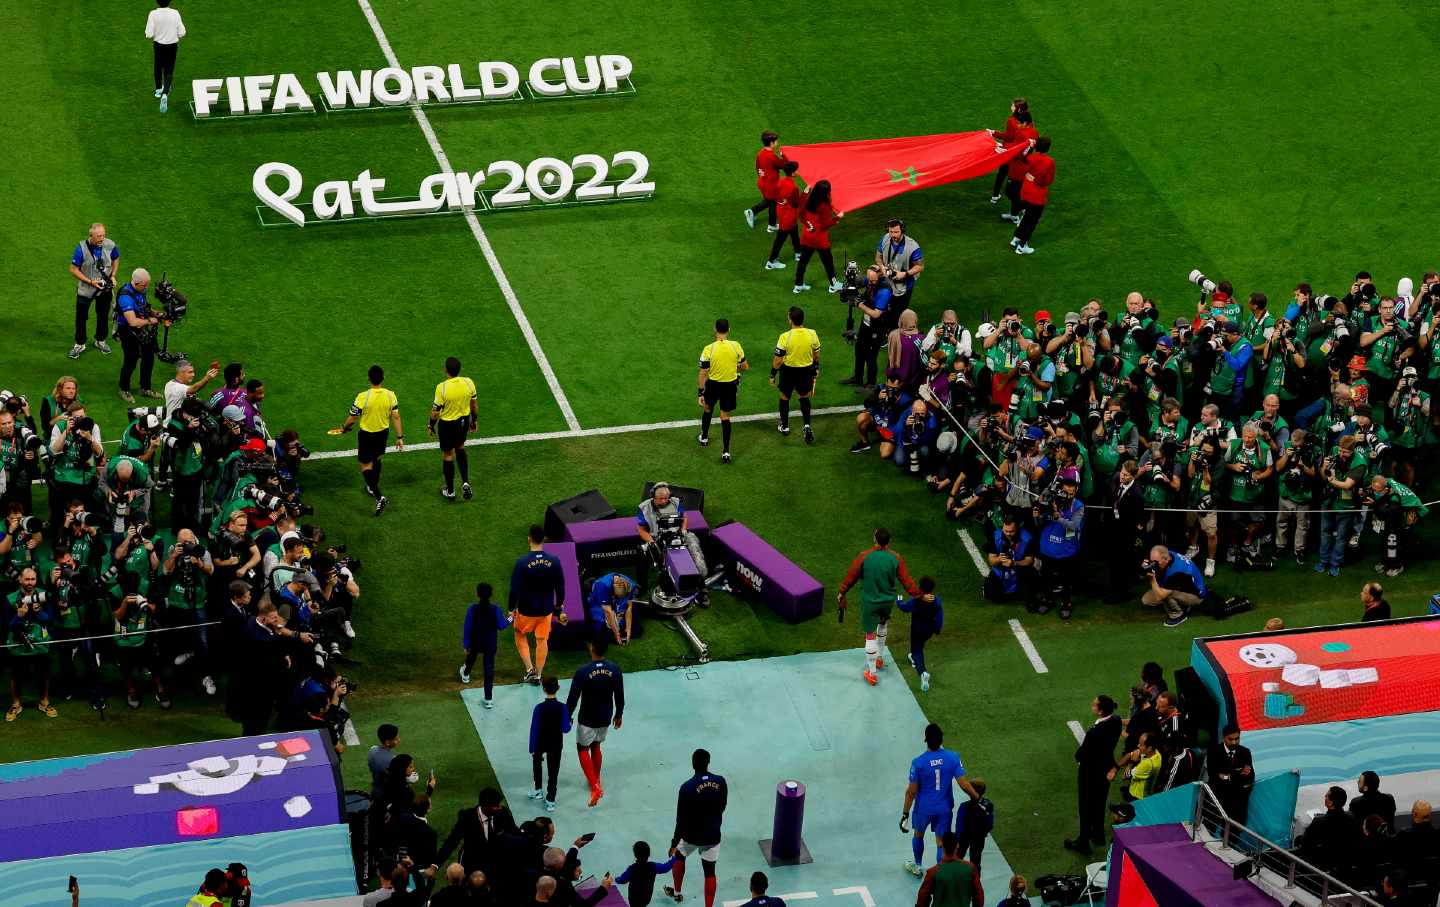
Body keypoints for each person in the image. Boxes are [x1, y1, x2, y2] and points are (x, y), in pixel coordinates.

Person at [837, 527, 921, 686]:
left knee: (870, 634)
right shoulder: (896, 558)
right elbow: (907, 581)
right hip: (887, 601)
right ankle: (880, 658)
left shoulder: (864, 557)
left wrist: (842, 592)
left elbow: (851, 577)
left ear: (874, 539)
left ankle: (872, 673)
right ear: (889, 542)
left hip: (870, 602)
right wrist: (919, 595)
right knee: (883, 624)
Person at [901, 722, 980, 877]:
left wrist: (905, 814)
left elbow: (911, 792)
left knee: (918, 834)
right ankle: (940, 872)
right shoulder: (953, 757)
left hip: (923, 808)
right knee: (940, 841)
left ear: (926, 740)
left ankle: (917, 866)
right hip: (944, 808)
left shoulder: (918, 763)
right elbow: (963, 784)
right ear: (941, 739)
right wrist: (976, 797)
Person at [566, 638, 624, 807]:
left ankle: (595, 786)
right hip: (605, 716)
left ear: (592, 648)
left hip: (587, 717)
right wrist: (619, 714)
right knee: (596, 746)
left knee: (582, 748)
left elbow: (573, 698)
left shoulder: (582, 671)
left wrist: (567, 715)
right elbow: (619, 695)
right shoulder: (615, 669)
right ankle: (596, 778)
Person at [666, 749, 727, 907]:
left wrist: (674, 843)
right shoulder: (721, 781)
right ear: (708, 762)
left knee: (679, 856)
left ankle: (678, 893)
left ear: (693, 764)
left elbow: (680, 819)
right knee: (710, 872)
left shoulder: (687, 787)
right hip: (712, 835)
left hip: (691, 836)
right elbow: (722, 805)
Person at [339, 364, 403, 516]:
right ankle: (372, 486)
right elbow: (396, 416)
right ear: (383, 378)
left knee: (365, 465)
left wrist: (344, 427)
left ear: (369, 379)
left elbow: (353, 417)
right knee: (377, 458)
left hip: (367, 435)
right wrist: (400, 437)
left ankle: (379, 496)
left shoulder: (363, 396)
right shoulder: (390, 395)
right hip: (383, 433)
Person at [509, 525, 568, 684]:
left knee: (519, 633)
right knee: (542, 640)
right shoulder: (554, 561)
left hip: (526, 609)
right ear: (544, 540)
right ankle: (539, 674)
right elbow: (561, 587)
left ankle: (529, 669)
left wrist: (510, 609)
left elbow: (514, 589)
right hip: (546, 610)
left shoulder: (521, 562)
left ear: (529, 539)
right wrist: (559, 607)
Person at [1065, 694, 1122, 855]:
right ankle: (1098, 835)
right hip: (1104, 769)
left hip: (1089, 773)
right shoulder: (1116, 721)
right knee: (1099, 803)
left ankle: (1083, 841)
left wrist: (1079, 758)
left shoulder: (1095, 733)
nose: (1092, 705)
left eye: (1095, 704)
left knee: (1086, 807)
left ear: (1100, 711)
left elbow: (1082, 753)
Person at [636, 483, 710, 605]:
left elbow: (684, 517)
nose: (664, 501)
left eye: (666, 498)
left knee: (695, 553)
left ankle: (702, 589)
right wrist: (651, 542)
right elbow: (641, 530)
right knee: (642, 553)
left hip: (677, 535)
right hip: (655, 537)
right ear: (653, 497)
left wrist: (683, 530)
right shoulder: (644, 508)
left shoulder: (676, 502)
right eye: (661, 499)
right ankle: (641, 586)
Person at [6, 566, 57, 721]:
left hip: (40, 642)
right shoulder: (10, 598)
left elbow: (51, 620)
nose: (30, 582)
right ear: (20, 579)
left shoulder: (44, 595)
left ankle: (44, 701)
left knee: (43, 674)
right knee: (17, 675)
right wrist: (18, 617)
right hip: (18, 642)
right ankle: (16, 704)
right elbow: (6, 625)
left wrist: (39, 613)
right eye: (27, 579)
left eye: (33, 579)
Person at [1035, 471, 1085, 619]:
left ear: (1076, 489)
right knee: (1046, 578)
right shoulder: (1050, 498)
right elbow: (1041, 522)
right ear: (1061, 486)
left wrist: (1058, 517)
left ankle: (1066, 603)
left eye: (1072, 486)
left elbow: (1074, 526)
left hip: (1066, 549)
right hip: (1047, 547)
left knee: (1066, 580)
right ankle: (1047, 599)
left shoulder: (1078, 506)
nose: (1069, 489)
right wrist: (1037, 517)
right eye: (1067, 486)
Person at [697, 319, 748, 463]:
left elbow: (703, 373)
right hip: (729, 386)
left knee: (707, 409)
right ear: (729, 330)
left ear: (715, 329)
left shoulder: (709, 349)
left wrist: (701, 392)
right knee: (725, 416)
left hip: (713, 386)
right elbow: (745, 366)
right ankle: (726, 452)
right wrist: (734, 366)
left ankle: (704, 437)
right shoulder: (735, 346)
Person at [437, 788, 517, 879]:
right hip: (472, 866)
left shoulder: (503, 813)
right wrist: (435, 865)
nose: (500, 807)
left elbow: (515, 834)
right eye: (496, 805)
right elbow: (451, 842)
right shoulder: (467, 818)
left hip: (496, 865)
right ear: (485, 806)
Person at [67, 223, 119, 359]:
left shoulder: (110, 245)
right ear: (91, 236)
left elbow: (116, 258)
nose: (102, 238)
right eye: (98, 236)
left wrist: (113, 275)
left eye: (103, 235)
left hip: (104, 287)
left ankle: (100, 340)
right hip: (86, 288)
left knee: (103, 315)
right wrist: (90, 281)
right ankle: (79, 343)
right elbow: (73, 269)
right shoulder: (81, 248)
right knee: (81, 317)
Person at [771, 306, 821, 443]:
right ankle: (806, 425)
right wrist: (816, 367)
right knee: (804, 397)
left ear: (790, 320)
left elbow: (778, 359)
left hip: (788, 371)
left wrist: (772, 374)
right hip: (806, 370)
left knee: (784, 397)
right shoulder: (812, 334)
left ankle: (785, 426)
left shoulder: (785, 337)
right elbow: (816, 354)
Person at [430, 357, 478, 501]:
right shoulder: (469, 382)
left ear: (446, 370)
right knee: (460, 447)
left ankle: (450, 491)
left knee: (448, 455)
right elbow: (474, 405)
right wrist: (474, 421)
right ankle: (465, 482)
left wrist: (430, 425)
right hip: (463, 421)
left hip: (447, 425)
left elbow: (435, 412)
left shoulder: (442, 387)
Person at [114, 268, 161, 403]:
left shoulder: (141, 289)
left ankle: (145, 388)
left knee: (148, 358)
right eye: (144, 285)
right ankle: (124, 389)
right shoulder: (125, 297)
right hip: (128, 332)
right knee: (131, 360)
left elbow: (143, 306)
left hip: (142, 329)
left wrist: (155, 313)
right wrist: (149, 321)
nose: (146, 288)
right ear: (135, 282)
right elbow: (132, 321)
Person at [793, 180, 844, 294]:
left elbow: (800, 213)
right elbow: (825, 225)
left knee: (803, 261)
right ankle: (833, 285)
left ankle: (798, 285)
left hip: (807, 236)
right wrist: (837, 218)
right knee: (828, 262)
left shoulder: (808, 199)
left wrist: (807, 224)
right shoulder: (824, 206)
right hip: (819, 239)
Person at [461, 582, 509, 703]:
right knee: (489, 670)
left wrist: (466, 645)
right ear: (491, 594)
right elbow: (502, 626)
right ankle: (488, 699)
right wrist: (511, 618)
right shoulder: (496, 609)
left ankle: (466, 675)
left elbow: (467, 627)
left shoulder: (472, 608)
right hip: (490, 644)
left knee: (471, 658)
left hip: (475, 642)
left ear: (477, 594)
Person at [528, 676, 571, 812]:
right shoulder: (563, 707)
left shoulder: (539, 708)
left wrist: (532, 747)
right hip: (555, 743)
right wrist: (570, 723)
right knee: (553, 771)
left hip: (541, 741)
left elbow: (534, 729)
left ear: (544, 689)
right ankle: (551, 799)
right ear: (558, 688)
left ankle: (538, 790)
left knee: (537, 764)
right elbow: (565, 728)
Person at [1141, 544, 1207, 628]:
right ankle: (1180, 603)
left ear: (1166, 559)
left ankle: (1177, 614)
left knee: (1163, 594)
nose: (1154, 564)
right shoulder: (1168, 554)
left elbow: (1160, 596)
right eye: (1152, 561)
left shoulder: (1176, 572)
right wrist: (1144, 568)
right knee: (1147, 600)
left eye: (1156, 562)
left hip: (1196, 596)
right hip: (1185, 587)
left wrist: (1152, 580)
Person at [1297, 786, 1360, 871]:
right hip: (1344, 863)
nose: (1325, 797)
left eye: (1326, 796)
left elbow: (1305, 843)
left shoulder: (1318, 821)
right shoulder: (1352, 818)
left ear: (1330, 803)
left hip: (1322, 864)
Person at [897, 576, 943, 692]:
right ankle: (912, 657)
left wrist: (899, 600)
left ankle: (922, 672)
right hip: (929, 631)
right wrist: (937, 629)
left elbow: (904, 607)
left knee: (917, 650)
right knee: (919, 647)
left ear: (920, 587)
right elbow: (939, 616)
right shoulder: (936, 600)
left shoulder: (916, 601)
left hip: (917, 630)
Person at [914, 832, 984, 907]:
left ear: (941, 845)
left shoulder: (933, 872)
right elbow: (979, 896)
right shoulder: (970, 868)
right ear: (957, 846)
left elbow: (922, 898)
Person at [1011, 136, 1053, 255]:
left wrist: (1029, 147)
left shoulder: (1031, 157)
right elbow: (1048, 180)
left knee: (1026, 217)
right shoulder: (1049, 162)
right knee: (1032, 221)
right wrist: (1036, 180)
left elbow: (1022, 157)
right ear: (1048, 148)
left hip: (1026, 191)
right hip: (1037, 195)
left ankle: (1016, 239)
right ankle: (1022, 246)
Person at [1206, 724, 1254, 824]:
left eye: (1237, 739)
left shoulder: (1245, 752)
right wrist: (1238, 774)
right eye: (1230, 739)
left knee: (1233, 835)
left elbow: (1249, 777)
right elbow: (1214, 776)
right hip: (1217, 803)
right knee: (1209, 830)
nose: (1234, 742)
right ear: (1224, 738)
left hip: (1237, 806)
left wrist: (1227, 777)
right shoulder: (1213, 751)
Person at [983, 515, 1036, 604]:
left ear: (1017, 528)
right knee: (991, 595)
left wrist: (1013, 563)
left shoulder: (1027, 538)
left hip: (1019, 570)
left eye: (1011, 531)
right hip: (1000, 571)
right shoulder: (996, 536)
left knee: (1029, 594)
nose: (1008, 534)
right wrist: (999, 559)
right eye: (1005, 531)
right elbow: (991, 561)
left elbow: (1029, 560)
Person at [875, 218, 924, 314]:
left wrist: (904, 274)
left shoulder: (912, 246)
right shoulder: (885, 239)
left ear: (902, 231)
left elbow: (920, 266)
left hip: (904, 285)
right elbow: (878, 258)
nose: (893, 235)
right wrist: (882, 268)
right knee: (883, 310)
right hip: (887, 281)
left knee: (898, 313)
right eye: (891, 232)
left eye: (896, 232)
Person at [145, 0, 186, 113]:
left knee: (158, 66)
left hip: (158, 45)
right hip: (172, 45)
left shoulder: (153, 14)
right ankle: (165, 93)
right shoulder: (175, 13)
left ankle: (158, 90)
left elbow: (149, 34)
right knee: (169, 69)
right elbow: (182, 32)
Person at [987, 97, 1031, 202]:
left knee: (1002, 174)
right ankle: (1022, 201)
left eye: (1013, 106)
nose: (1011, 107)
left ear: (1018, 109)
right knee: (1018, 178)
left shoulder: (1011, 120)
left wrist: (994, 133)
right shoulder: (1029, 122)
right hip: (1020, 153)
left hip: (1009, 152)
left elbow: (1009, 137)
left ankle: (995, 196)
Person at [764, 161, 803, 269]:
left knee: (794, 232)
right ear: (793, 173)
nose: (798, 171)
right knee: (780, 239)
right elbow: (797, 203)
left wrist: (781, 201)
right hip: (789, 215)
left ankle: (798, 253)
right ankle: (771, 262)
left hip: (781, 211)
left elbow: (775, 194)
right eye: (797, 170)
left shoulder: (781, 181)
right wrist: (805, 193)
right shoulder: (794, 188)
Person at [616, 841, 678, 907]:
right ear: (649, 854)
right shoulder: (653, 866)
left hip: (634, 899)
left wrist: (616, 879)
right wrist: (675, 857)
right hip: (646, 898)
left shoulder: (632, 869)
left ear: (635, 855)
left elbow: (623, 880)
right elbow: (666, 867)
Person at [745, 131, 784, 231]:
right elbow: (783, 165)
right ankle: (771, 224)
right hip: (770, 185)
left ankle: (753, 213)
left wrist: (762, 176)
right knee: (773, 203)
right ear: (771, 143)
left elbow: (757, 166)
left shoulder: (761, 153)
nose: (777, 142)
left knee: (770, 202)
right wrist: (784, 156)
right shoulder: (772, 156)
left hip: (763, 182)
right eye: (776, 141)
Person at [586, 572, 638, 646]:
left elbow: (628, 609)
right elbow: (608, 612)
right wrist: (617, 634)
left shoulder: (631, 586)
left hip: (614, 599)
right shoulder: (602, 587)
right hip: (600, 597)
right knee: (601, 623)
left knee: (634, 628)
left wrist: (628, 631)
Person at [955, 780, 994, 871]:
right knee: (976, 862)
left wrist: (957, 839)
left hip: (964, 837)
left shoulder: (964, 806)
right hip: (979, 838)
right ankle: (975, 881)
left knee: (958, 858)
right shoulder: (988, 804)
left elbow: (959, 826)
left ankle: (956, 875)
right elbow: (990, 823)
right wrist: (984, 833)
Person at [369, 724, 402, 803]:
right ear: (387, 742)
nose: (399, 740)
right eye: (396, 739)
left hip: (375, 789)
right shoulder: (391, 761)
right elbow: (398, 779)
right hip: (386, 796)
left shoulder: (372, 750)